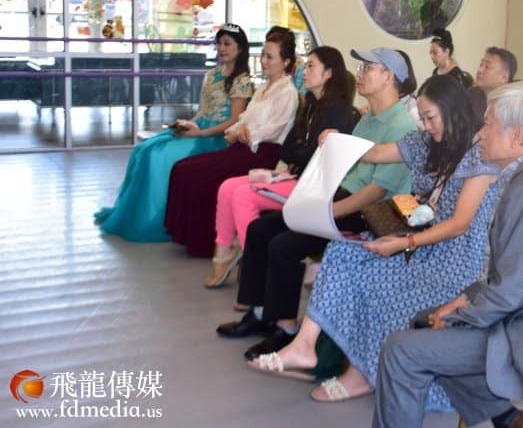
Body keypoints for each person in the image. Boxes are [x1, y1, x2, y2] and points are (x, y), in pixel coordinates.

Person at [250, 75, 499, 408]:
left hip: (453, 261)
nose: (425, 126)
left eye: (430, 118)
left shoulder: (479, 156)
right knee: (343, 252)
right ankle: (305, 345)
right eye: (423, 118)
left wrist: (403, 244)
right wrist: (338, 142)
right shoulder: (428, 143)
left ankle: (360, 373)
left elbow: (458, 225)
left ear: (452, 110)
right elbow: (377, 153)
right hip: (418, 243)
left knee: (378, 281)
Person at [372, 82, 523, 428]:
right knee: (425, 321)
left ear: (517, 137)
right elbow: (509, 277)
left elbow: (510, 292)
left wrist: (459, 315)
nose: (481, 133)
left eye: (488, 125)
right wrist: (461, 301)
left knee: (401, 351)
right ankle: (505, 416)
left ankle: (502, 414)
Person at [216, 47, 417, 362]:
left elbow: (376, 191)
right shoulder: (368, 118)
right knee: (259, 229)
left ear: (388, 76)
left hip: (366, 212)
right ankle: (258, 313)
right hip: (340, 197)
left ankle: (285, 327)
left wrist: (328, 212)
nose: (359, 74)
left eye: (368, 68)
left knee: (285, 244)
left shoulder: (401, 127)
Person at [202, 46, 359, 287]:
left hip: (312, 185)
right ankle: (223, 254)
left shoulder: (339, 112)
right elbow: (288, 150)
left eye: (311, 66)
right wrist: (302, 151)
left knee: (243, 195)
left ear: (328, 73)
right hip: (295, 176)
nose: (304, 72)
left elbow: (314, 157)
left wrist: (301, 151)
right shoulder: (310, 106)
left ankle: (255, 266)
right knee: (227, 187)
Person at [95, 24, 254, 242]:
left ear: (240, 48)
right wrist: (188, 124)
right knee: (144, 149)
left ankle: (157, 218)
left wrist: (201, 133)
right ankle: (135, 214)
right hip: (200, 129)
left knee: (158, 156)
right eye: (219, 43)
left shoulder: (242, 80)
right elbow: (204, 110)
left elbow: (235, 120)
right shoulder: (212, 74)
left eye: (227, 44)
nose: (222, 48)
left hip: (217, 137)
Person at [165, 27, 301, 258]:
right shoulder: (263, 88)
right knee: (182, 168)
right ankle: (189, 236)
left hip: (263, 153)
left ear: (286, 62)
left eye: (270, 57)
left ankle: (206, 242)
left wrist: (243, 134)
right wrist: (234, 131)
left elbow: (274, 128)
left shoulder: (287, 92)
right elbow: (244, 118)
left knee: (197, 174)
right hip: (244, 147)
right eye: (263, 55)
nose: (263, 61)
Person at [466, 46, 517, 120]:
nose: (480, 70)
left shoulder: (513, 105)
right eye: (481, 65)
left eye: (487, 67)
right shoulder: (471, 94)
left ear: (504, 78)